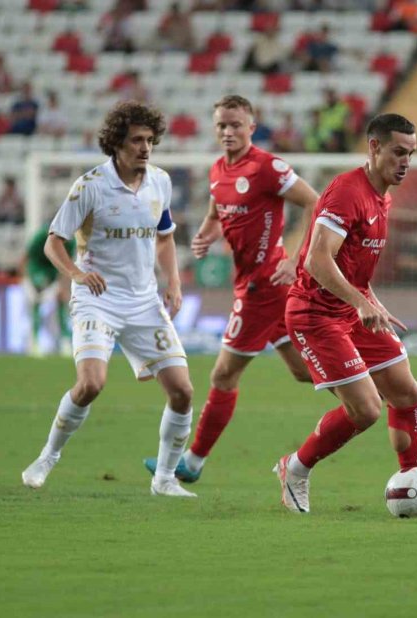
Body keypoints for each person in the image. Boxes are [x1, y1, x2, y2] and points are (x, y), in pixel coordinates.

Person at [273, 113, 417, 516]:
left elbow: (353, 266)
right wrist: (361, 303)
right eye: (398, 152)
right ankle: (295, 469)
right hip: (315, 313)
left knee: (407, 393)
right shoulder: (346, 191)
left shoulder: (384, 196)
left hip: (352, 309)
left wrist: (370, 302)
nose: (406, 162)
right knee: (366, 410)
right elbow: (317, 260)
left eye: (410, 153)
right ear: (374, 147)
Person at [21, 101, 197, 498]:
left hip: (143, 302)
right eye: (137, 140)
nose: (146, 147)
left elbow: (165, 236)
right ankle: (48, 456)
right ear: (117, 143)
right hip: (96, 300)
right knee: (91, 384)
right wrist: (77, 274)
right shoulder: (90, 186)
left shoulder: (160, 182)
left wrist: (174, 281)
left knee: (183, 391)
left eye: (150, 140)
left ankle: (164, 479)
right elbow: (53, 243)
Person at [144, 95, 318, 483]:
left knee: (223, 376)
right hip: (256, 284)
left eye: (236, 124)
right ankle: (368, 394)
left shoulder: (268, 167)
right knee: (304, 371)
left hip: (264, 285)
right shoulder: (217, 171)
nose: (228, 131)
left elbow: (314, 202)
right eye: (222, 124)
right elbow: (214, 212)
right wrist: (206, 236)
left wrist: (296, 259)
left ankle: (192, 462)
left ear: (251, 127)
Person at [21, 223, 75, 357]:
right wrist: (26, 281)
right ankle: (34, 341)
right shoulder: (41, 236)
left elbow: (67, 266)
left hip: (54, 272)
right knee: (35, 302)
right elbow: (25, 259)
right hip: (36, 270)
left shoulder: (71, 242)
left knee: (61, 302)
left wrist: (63, 287)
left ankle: (64, 341)